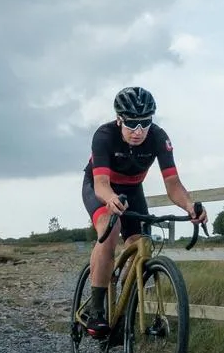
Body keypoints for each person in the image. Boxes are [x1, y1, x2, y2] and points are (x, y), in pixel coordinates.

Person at [81, 86, 207, 339]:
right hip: (100, 187)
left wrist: (190, 206)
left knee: (142, 244)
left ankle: (124, 309)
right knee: (110, 228)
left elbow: (173, 185)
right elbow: (102, 184)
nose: (138, 131)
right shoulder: (104, 136)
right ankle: (96, 309)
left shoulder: (159, 138)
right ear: (119, 119)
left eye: (145, 123)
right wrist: (111, 199)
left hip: (132, 189)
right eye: (131, 124)